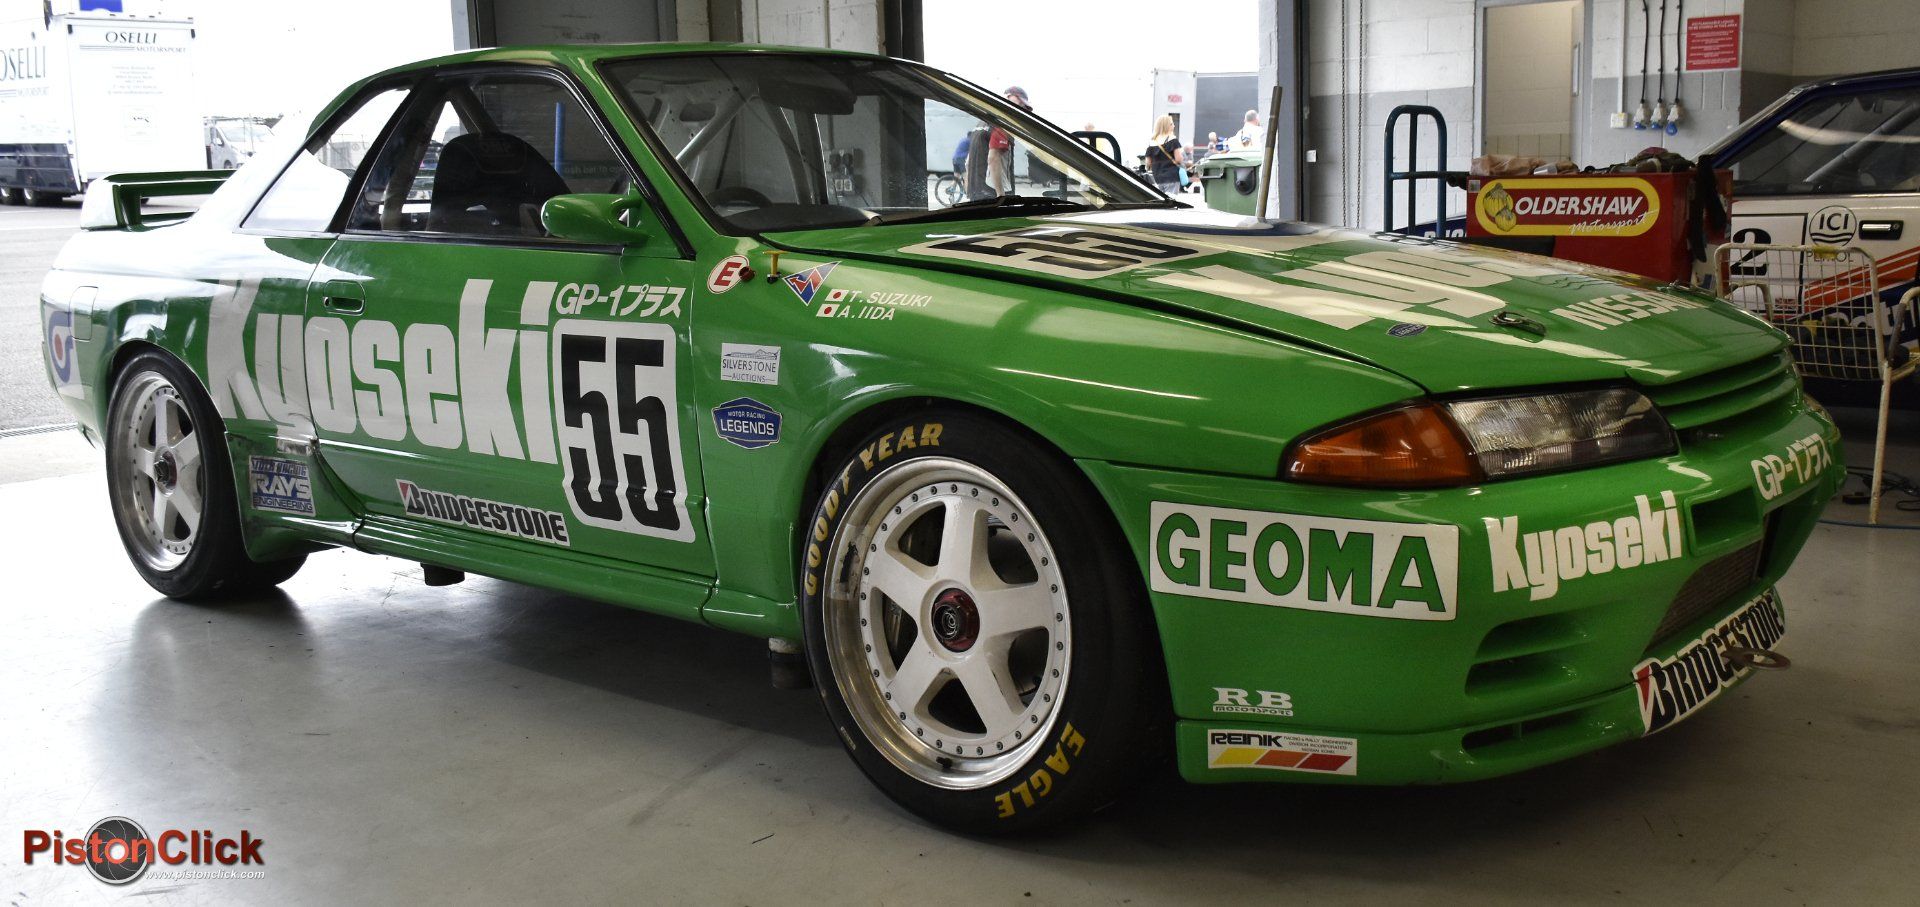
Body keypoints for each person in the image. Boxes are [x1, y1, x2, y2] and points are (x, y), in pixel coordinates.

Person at [986, 86, 1030, 196]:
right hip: (996, 191)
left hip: (980, 189)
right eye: (1019, 105)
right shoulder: (1003, 124)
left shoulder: (985, 121)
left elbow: (967, 163)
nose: (1021, 111)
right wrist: (1000, 194)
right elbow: (993, 158)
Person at [1146, 114, 1184, 195]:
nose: (1174, 126)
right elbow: (1178, 159)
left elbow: (1148, 162)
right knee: (1171, 201)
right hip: (1171, 176)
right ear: (1166, 126)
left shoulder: (1152, 142)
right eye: (1172, 124)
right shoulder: (1172, 139)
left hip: (1157, 177)